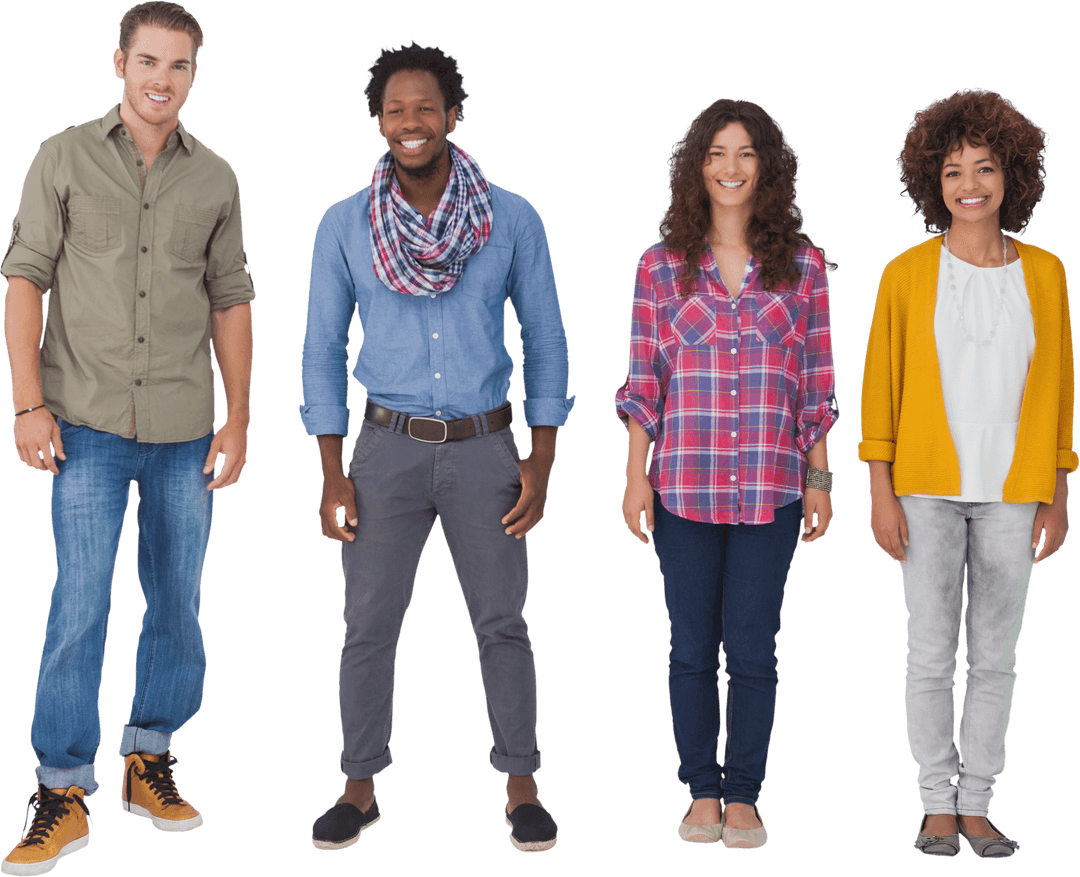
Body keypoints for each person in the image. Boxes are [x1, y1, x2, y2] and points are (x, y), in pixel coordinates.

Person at [0, 2, 254, 874]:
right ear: (120, 63)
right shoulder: (62, 156)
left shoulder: (216, 177)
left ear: (193, 74)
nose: (162, 79)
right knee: (79, 605)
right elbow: (25, 278)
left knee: (177, 601)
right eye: (148, 61)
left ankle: (150, 759)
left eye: (179, 65)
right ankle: (62, 790)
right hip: (85, 427)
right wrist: (27, 402)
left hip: (185, 429)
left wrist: (239, 414)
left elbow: (230, 298)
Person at [300, 42, 572, 853]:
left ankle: (522, 786)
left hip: (486, 449)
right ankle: (358, 786)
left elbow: (547, 340)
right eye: (395, 110)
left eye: (426, 108)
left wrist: (541, 458)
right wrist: (329, 471)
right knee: (368, 624)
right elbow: (319, 349)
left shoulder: (512, 217)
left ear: (455, 115)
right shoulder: (344, 224)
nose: (410, 123)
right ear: (378, 121)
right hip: (384, 450)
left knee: (502, 620)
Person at [616, 99, 838, 849]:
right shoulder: (660, 265)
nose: (731, 167)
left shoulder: (802, 265)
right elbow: (644, 385)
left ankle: (744, 794)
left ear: (767, 166)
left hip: (772, 489)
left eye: (746, 153)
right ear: (696, 166)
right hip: (683, 488)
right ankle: (699, 791)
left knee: (752, 645)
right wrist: (634, 477)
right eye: (717, 153)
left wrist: (820, 477)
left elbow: (816, 380)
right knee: (689, 643)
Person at [860, 88, 1074, 859]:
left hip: (1017, 491)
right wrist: (880, 489)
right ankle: (934, 806)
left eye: (985, 166)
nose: (970, 184)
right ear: (932, 181)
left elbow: (1060, 391)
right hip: (924, 486)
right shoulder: (905, 274)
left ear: (1012, 174)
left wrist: (1057, 488)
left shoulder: (1047, 275)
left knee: (996, 652)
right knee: (929, 648)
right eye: (953, 170)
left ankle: (978, 803)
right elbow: (879, 391)